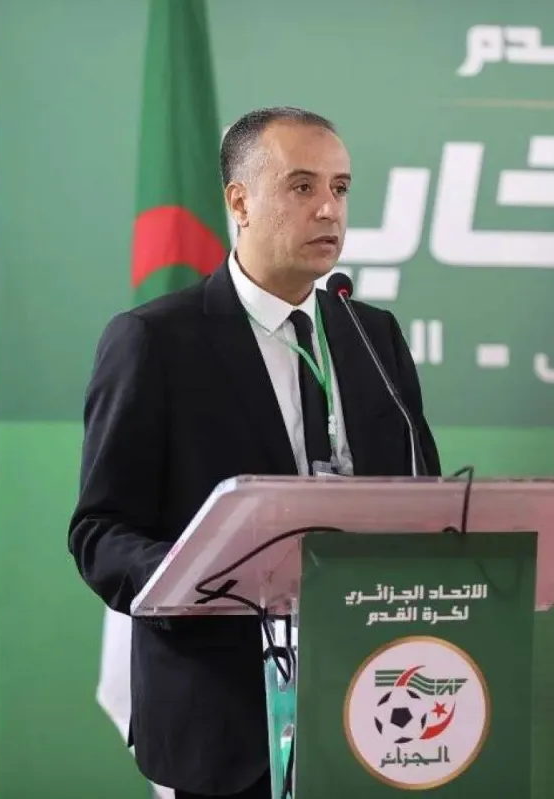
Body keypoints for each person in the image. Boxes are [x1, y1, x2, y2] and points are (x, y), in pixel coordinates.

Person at [67, 106, 441, 798]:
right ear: (239, 202)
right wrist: (195, 575)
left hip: (373, 700)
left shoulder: (372, 336)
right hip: (224, 718)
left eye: (340, 188)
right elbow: (100, 531)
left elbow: (423, 498)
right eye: (302, 187)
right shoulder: (157, 340)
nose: (329, 209)